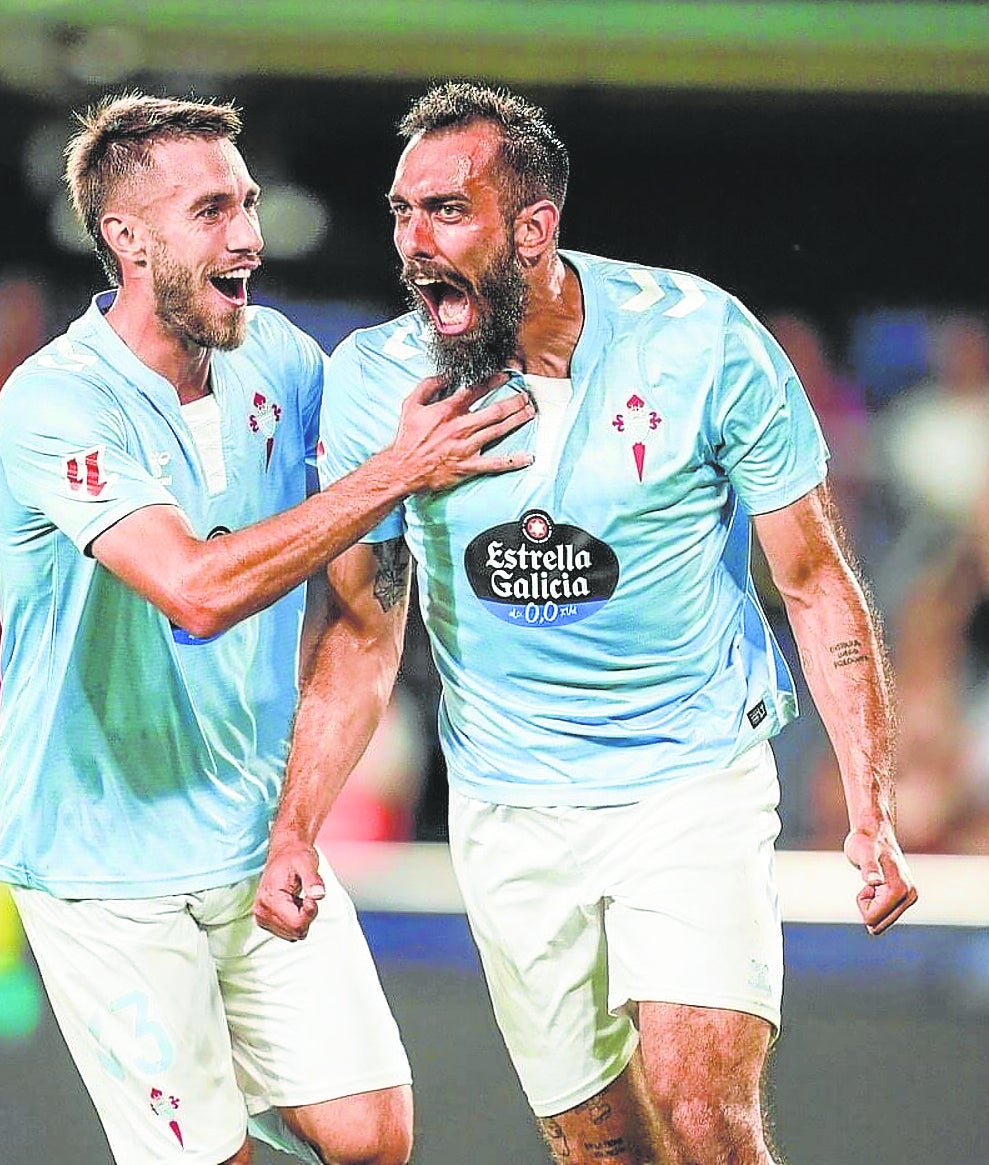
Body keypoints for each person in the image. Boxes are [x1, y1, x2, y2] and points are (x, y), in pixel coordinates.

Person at [254, 82, 918, 1165]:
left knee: (700, 1108)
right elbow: (364, 627)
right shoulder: (378, 383)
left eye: (447, 211)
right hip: (512, 808)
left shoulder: (701, 342)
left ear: (534, 227)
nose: (415, 244)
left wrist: (869, 804)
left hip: (689, 781)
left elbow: (812, 578)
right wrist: (297, 826)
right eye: (400, 213)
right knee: (602, 1147)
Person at [0, 91, 533, 1165]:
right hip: (103, 867)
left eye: (248, 203)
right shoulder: (54, 404)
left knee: (374, 1135)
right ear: (127, 239)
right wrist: (396, 471)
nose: (248, 235)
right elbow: (194, 588)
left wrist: (298, 819)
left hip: (248, 835)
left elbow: (361, 597)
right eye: (211, 210)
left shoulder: (283, 363)